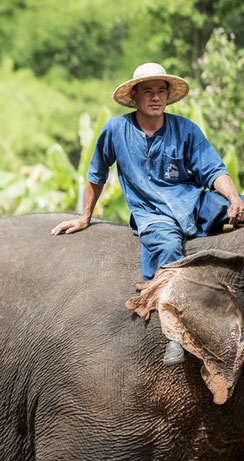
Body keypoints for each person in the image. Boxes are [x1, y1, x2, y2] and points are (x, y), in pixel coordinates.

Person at [51, 62, 244, 366]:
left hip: (193, 201)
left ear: (168, 96)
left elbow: (214, 170)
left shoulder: (186, 130)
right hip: (153, 213)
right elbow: (96, 174)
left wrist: (233, 198)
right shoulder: (116, 130)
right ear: (136, 96)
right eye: (148, 92)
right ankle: (174, 332)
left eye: (161, 91)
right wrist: (85, 216)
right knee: (167, 249)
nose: (155, 97)